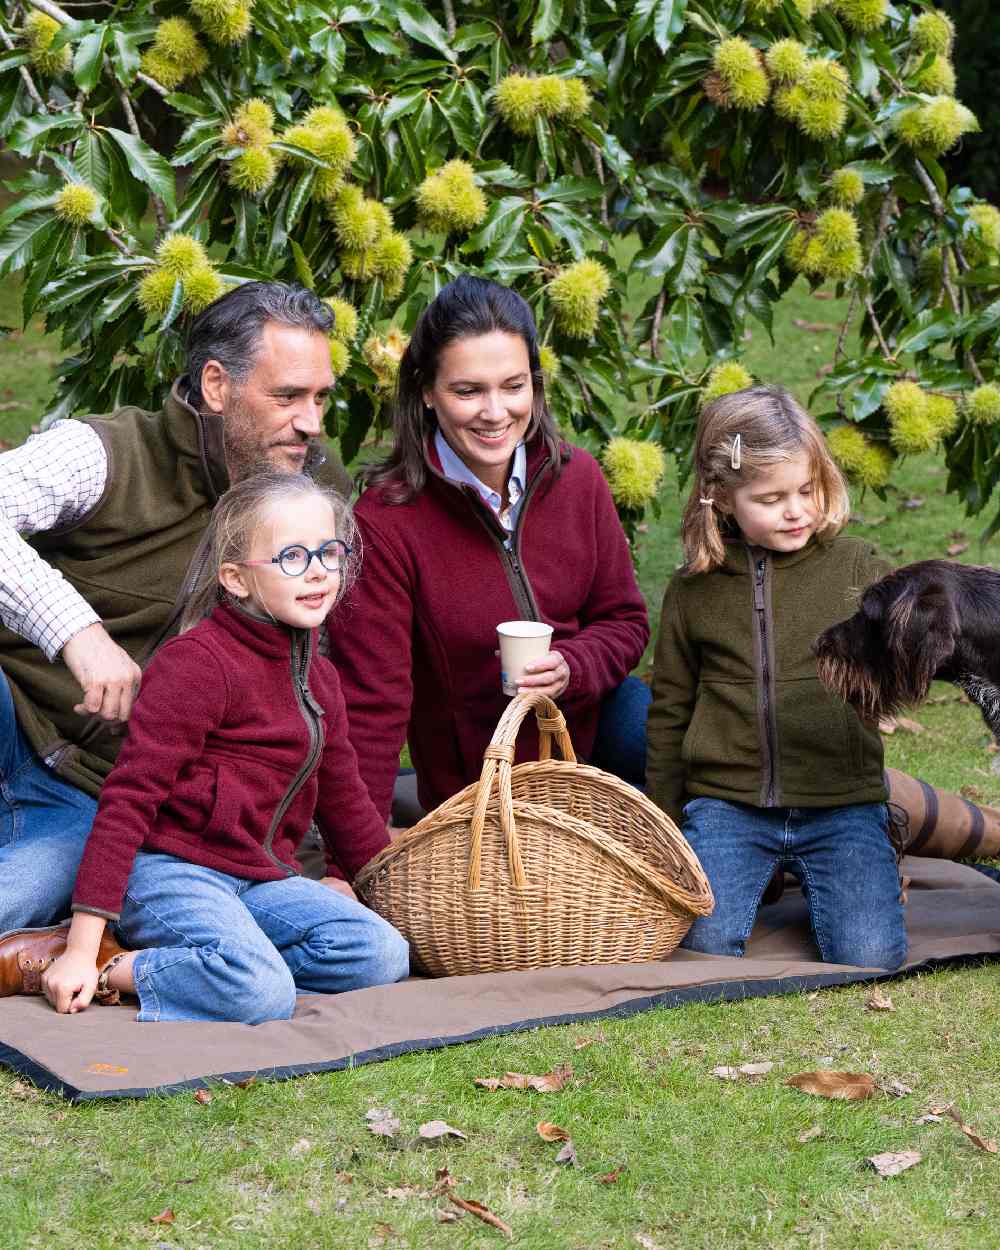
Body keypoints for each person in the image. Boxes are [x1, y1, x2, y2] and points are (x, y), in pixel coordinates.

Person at [0, 280, 349, 937]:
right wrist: (76, 631)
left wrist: (309, 863)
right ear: (216, 385)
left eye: (320, 397)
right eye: (288, 396)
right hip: (7, 716)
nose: (313, 421)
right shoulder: (109, 453)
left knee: (20, 895)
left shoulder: (312, 494)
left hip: (89, 795)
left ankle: (62, 945)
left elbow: (304, 690)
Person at [32, 472, 407, 1022]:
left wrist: (398, 895)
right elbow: (129, 799)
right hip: (172, 872)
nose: (320, 571)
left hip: (260, 876)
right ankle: (116, 965)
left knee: (381, 953)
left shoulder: (319, 676)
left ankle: (225, 960)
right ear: (235, 578)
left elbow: (345, 798)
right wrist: (83, 949)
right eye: (293, 557)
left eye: (330, 551)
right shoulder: (197, 665)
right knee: (262, 992)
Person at [327, 275, 650, 825]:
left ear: (535, 385)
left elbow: (624, 620)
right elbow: (372, 704)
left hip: (592, 745)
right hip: (482, 779)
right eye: (468, 390)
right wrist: (353, 861)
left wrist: (574, 666)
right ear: (427, 392)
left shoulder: (578, 477)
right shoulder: (385, 523)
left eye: (513, 385)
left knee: (676, 738)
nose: (495, 412)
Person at [646, 384, 908, 971]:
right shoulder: (693, 590)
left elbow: (911, 653)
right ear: (721, 497)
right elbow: (669, 708)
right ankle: (751, 874)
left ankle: (872, 853)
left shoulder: (857, 567)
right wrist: (664, 820)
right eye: (771, 498)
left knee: (870, 956)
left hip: (841, 800)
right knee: (700, 949)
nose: (796, 511)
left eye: (807, 490)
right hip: (728, 805)